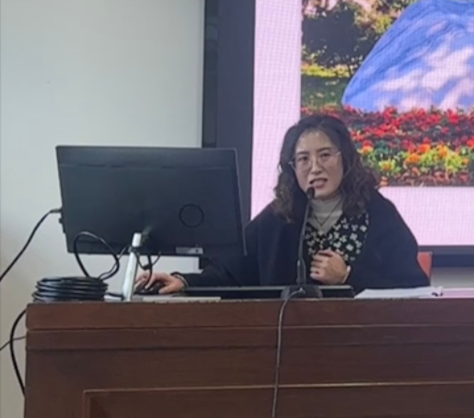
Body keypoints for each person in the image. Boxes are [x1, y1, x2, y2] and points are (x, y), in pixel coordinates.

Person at [138, 114, 430, 294]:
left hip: (363, 345)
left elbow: (412, 285)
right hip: (290, 346)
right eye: (303, 159)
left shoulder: (378, 213)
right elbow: (232, 272)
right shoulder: (280, 216)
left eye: (325, 155)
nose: (315, 168)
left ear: (346, 159)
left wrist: (348, 276)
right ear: (292, 168)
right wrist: (184, 281)